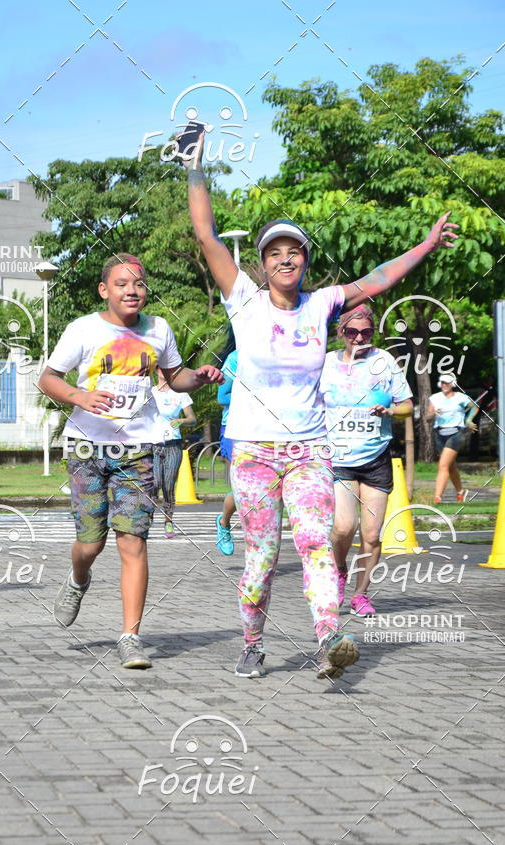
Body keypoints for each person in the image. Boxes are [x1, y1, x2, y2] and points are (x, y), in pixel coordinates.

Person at [183, 133, 459, 679]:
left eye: (295, 251)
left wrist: (425, 247)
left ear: (306, 262)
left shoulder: (323, 303)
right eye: (274, 253)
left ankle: (330, 635)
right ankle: (252, 642)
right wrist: (195, 166)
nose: (285, 259)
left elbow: (379, 277)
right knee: (261, 557)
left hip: (309, 450)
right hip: (256, 452)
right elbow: (205, 233)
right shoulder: (244, 299)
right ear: (261, 267)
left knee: (315, 542)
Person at [38, 254, 222, 669]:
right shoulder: (83, 329)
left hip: (139, 449)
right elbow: (47, 378)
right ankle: (78, 578)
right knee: (91, 543)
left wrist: (199, 376)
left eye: (138, 283)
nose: (132, 290)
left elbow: (176, 378)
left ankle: (130, 636)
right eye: (122, 283)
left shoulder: (159, 330)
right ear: (105, 290)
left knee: (133, 540)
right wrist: (81, 397)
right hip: (86, 447)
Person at [320, 305, 413, 617]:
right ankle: (338, 569)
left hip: (376, 457)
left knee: (372, 535)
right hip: (339, 457)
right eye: (352, 332)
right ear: (340, 332)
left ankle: (360, 595)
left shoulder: (383, 361)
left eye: (366, 332)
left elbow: (408, 405)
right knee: (344, 527)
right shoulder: (326, 363)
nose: (359, 338)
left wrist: (390, 412)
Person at [151, 366, 196, 537]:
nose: (163, 371)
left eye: (166, 369)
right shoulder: (150, 392)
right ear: (156, 371)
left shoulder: (180, 393)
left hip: (173, 445)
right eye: (160, 368)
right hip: (153, 444)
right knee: (153, 483)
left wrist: (181, 420)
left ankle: (168, 522)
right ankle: (147, 519)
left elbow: (192, 419)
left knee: (168, 485)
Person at [427, 374, 477, 503]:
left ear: (453, 384)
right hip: (440, 434)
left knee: (443, 465)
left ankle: (437, 498)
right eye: (442, 382)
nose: (444, 385)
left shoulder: (461, 398)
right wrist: (433, 413)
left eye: (447, 383)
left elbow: (474, 407)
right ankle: (461, 492)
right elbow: (427, 417)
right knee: (450, 466)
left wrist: (469, 419)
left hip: (456, 433)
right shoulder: (434, 398)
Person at [215, 346, 238, 555]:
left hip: (271, 431)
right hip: (236, 428)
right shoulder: (235, 358)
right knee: (242, 489)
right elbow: (222, 397)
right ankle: (224, 522)